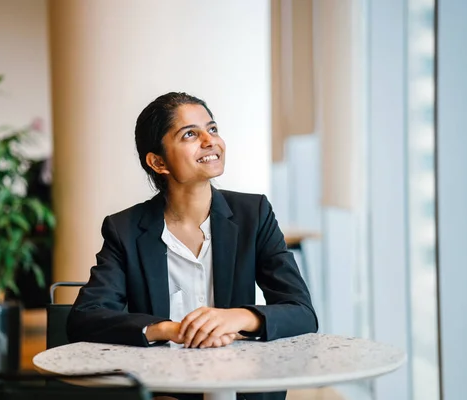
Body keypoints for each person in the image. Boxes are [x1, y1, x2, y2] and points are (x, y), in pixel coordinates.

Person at [67, 92, 318, 400]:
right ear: (159, 162)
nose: (210, 140)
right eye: (190, 134)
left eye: (212, 129)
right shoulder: (125, 229)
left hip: (240, 386)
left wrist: (239, 317)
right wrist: (167, 329)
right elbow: (86, 317)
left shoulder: (254, 214)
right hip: (166, 391)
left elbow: (302, 312)